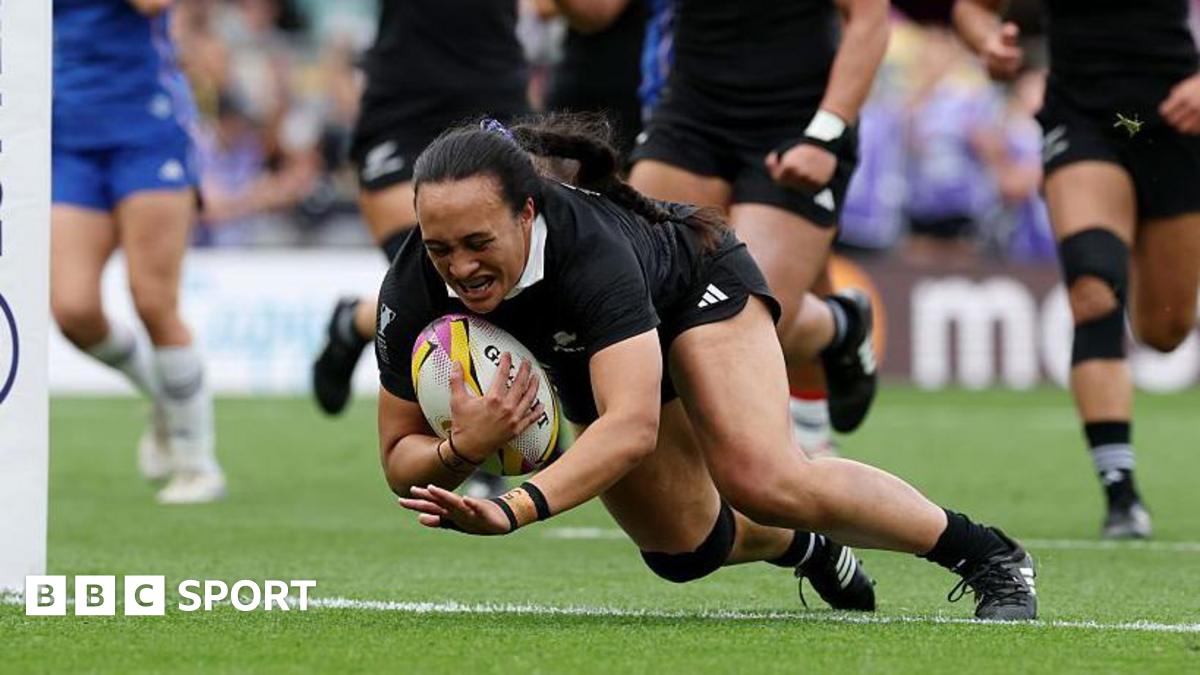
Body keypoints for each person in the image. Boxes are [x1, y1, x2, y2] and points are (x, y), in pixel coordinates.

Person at [377, 115, 1038, 621]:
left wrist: (517, 507)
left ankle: (989, 555)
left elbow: (631, 426)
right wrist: (464, 444)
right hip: (590, 350)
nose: (460, 267)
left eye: (478, 243)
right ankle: (807, 548)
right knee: (684, 553)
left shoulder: (589, 252)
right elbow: (398, 457)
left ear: (527, 211)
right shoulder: (412, 285)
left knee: (764, 477)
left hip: (694, 288)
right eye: (440, 248)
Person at [954, 0, 1200, 538]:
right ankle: (1121, 492)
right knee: (1093, 289)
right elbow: (971, 7)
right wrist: (987, 42)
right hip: (1082, 117)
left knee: (1166, 329)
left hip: (1177, 118)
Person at [626, 0, 891, 457]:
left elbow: (869, 18)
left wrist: (824, 135)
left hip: (796, 121)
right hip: (692, 111)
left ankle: (840, 327)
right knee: (639, 293)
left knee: (746, 321)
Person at [311, 0, 532, 497]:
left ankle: (358, 322)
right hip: (401, 99)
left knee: (484, 277)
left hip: (491, 89)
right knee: (439, 273)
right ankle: (475, 450)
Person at [51, 0, 224, 503]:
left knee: (153, 301)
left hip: (146, 129)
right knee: (73, 309)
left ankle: (197, 465)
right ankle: (165, 398)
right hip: (66, 134)